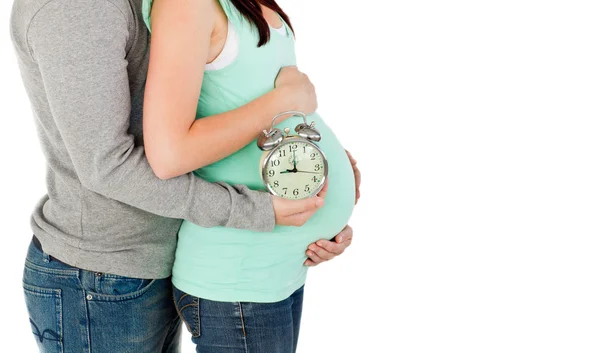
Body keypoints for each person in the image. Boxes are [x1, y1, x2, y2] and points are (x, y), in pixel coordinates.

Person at [9, 0, 360, 352]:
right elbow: (108, 167)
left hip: (167, 247)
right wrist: (257, 212)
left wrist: (312, 180)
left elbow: (216, 103)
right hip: (101, 274)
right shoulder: (75, 9)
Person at [142, 0, 357, 351]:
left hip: (279, 267)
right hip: (237, 275)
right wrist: (286, 96)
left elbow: (262, 108)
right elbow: (169, 154)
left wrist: (333, 173)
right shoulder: (186, 5)